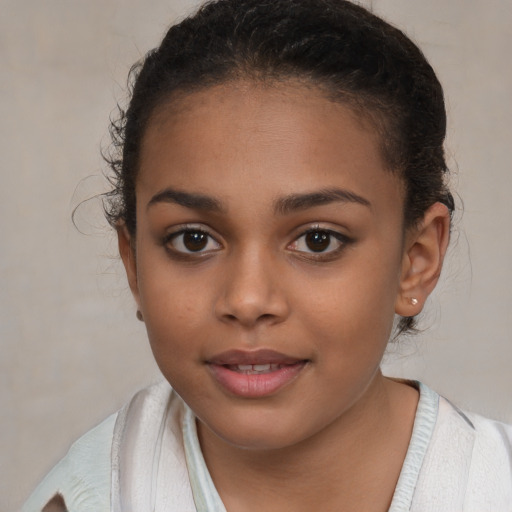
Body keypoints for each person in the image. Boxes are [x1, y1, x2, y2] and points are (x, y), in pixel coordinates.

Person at [23, 0, 512, 510]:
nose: (249, 299)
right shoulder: (88, 497)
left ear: (416, 259)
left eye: (317, 240)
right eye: (193, 240)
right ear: (134, 263)